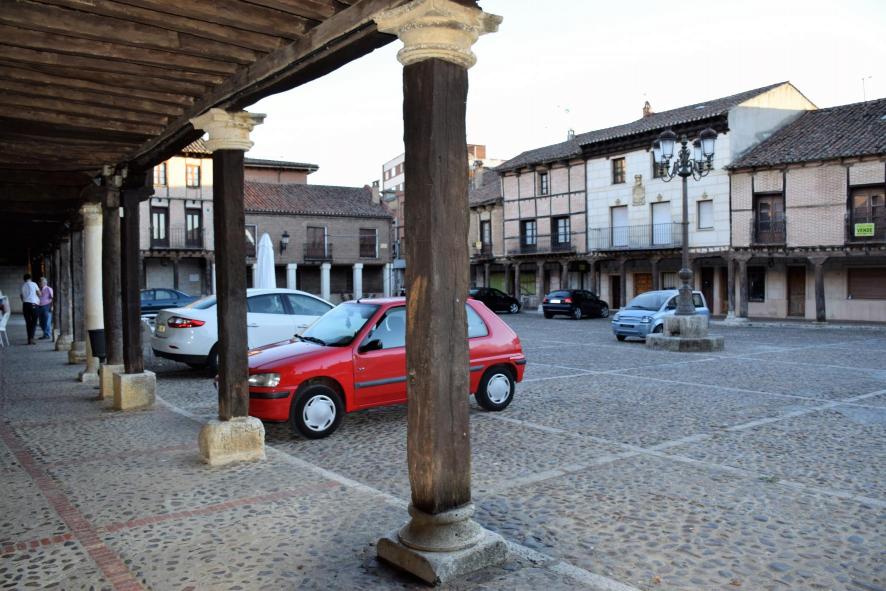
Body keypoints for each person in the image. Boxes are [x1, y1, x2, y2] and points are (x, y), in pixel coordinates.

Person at [20, 274, 40, 345]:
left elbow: (21, 296)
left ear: (24, 279)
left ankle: (29, 339)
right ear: (30, 278)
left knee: (28, 322)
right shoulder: (34, 284)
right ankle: (31, 338)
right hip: (33, 304)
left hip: (25, 305)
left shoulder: (22, 285)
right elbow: (39, 293)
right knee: (34, 322)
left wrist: (25, 300)